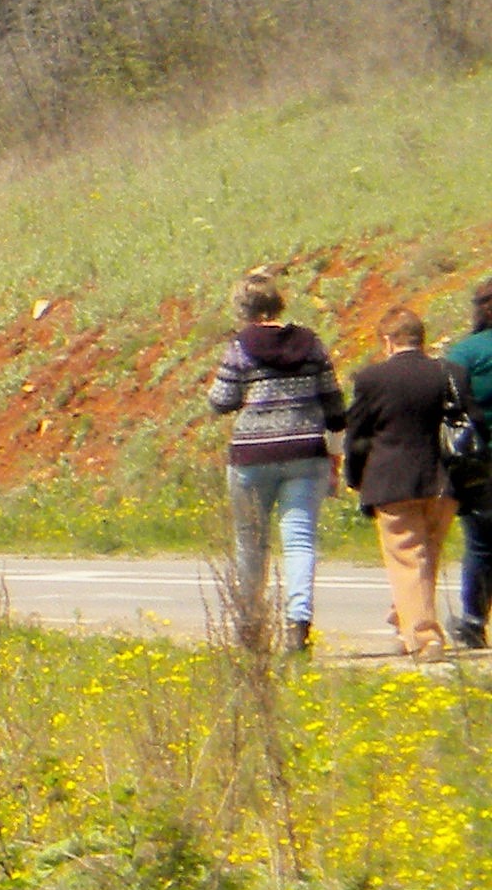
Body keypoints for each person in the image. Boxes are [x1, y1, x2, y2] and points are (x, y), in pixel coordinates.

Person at [208, 268, 342, 650]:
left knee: (251, 542)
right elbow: (334, 404)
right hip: (305, 453)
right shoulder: (312, 344)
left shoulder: (240, 346)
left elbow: (220, 401)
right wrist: (334, 453)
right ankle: (298, 623)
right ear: (278, 303)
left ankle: (250, 624)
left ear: (244, 308)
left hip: (253, 454)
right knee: (300, 540)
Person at [342, 308, 468, 660]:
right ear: (420, 339)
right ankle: (404, 619)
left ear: (387, 341)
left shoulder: (372, 379)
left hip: (393, 481)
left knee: (409, 560)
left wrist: (354, 476)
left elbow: (357, 436)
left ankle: (425, 637)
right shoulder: (450, 373)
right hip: (443, 482)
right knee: (425, 558)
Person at [447, 280, 492, 649]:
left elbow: (449, 403)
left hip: (481, 461)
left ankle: (474, 622)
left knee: (480, 545)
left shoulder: (466, 353)